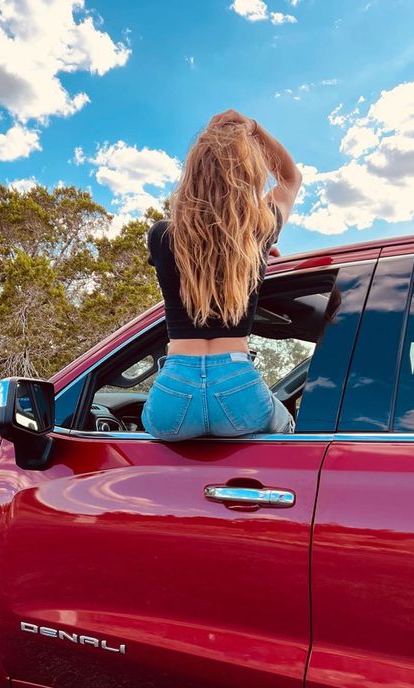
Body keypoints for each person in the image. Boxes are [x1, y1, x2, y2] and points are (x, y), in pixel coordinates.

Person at [142, 109, 302, 441]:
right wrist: (253, 128)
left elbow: (200, 252)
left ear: (192, 174)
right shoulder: (259, 228)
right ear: (249, 175)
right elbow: (289, 178)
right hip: (237, 386)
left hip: (174, 390)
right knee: (289, 428)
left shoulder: (161, 235)